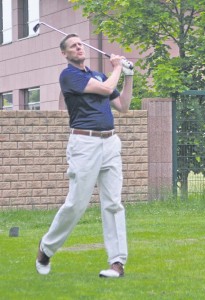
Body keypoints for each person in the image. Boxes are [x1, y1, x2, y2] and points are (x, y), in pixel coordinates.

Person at [35, 33, 134, 278]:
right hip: (84, 143)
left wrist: (129, 77)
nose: (79, 48)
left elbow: (123, 106)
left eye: (80, 44)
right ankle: (46, 248)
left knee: (113, 203)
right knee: (76, 204)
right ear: (65, 54)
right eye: (73, 46)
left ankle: (117, 263)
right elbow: (107, 88)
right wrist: (118, 68)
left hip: (110, 142)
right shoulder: (69, 76)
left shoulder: (98, 74)